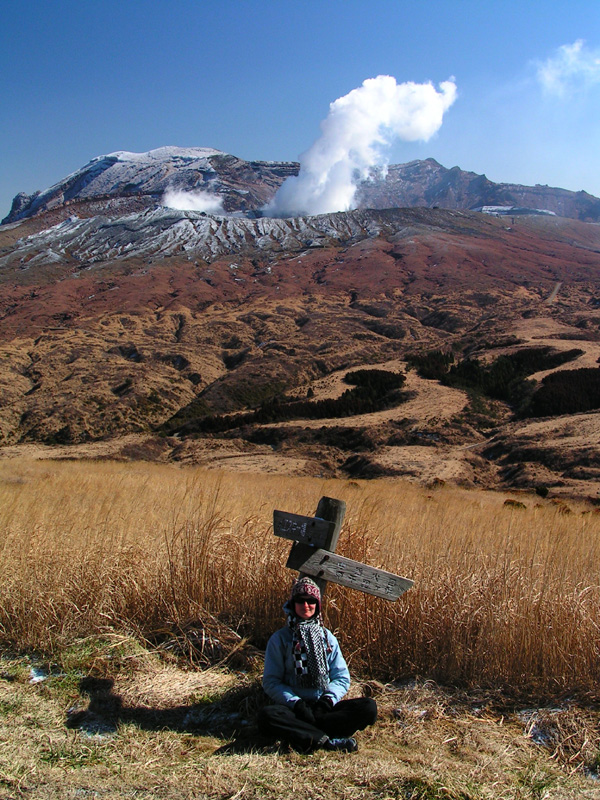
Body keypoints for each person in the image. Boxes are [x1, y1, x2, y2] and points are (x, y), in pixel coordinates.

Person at [258, 576, 377, 753]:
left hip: (324, 707)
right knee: (267, 716)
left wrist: (327, 700)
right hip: (295, 709)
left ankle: (306, 735)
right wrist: (296, 703)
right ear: (293, 604)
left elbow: (341, 677)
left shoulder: (327, 638)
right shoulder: (280, 639)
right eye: (300, 601)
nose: (306, 606)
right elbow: (271, 681)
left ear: (317, 605)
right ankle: (327, 741)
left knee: (368, 707)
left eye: (311, 601)